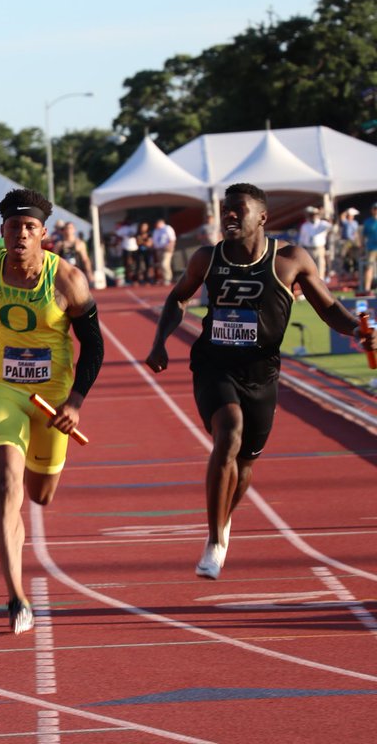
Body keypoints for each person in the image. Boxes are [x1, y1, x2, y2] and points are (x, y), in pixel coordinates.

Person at [146, 183, 376, 580]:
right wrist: (160, 341)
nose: (229, 216)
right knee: (229, 433)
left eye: (238, 210)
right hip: (214, 364)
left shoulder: (290, 259)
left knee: (247, 461)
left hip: (262, 370)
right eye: (225, 210)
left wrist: (356, 333)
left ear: (262, 217)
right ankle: (216, 540)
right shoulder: (207, 257)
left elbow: (330, 308)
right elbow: (177, 297)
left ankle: (225, 519)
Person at [0, 188, 104, 635]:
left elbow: (95, 344)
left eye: (30, 228)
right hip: (3, 391)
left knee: (39, 494)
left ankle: (32, 495)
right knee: (7, 483)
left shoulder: (68, 279)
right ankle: (16, 596)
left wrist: (76, 402)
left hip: (51, 400)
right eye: (14, 227)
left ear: (43, 234)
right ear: (3, 232)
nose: (22, 235)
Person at [297, 207, 331, 279]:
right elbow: (301, 239)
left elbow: (330, 227)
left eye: (315, 214)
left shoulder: (322, 224)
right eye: (311, 214)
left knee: (320, 267)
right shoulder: (305, 226)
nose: (313, 216)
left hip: (319, 249)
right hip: (308, 249)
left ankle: (320, 284)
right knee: (309, 268)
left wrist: (323, 215)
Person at [150, 217, 176, 285]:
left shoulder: (167, 228)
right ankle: (164, 278)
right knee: (161, 265)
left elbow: (172, 238)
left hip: (166, 249)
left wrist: (171, 246)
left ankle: (168, 279)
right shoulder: (156, 230)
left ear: (161, 223)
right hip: (159, 249)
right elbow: (154, 240)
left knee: (165, 264)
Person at [358, 203, 377, 296]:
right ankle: (367, 289)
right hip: (371, 248)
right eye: (375, 209)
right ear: (372, 210)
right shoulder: (368, 222)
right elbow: (363, 235)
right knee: (369, 267)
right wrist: (361, 246)